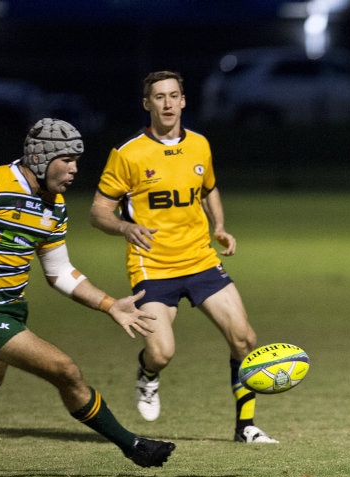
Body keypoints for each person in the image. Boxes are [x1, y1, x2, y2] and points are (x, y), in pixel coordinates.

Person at [89, 71, 274, 443]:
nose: (168, 103)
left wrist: (219, 224)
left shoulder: (200, 145)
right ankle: (148, 375)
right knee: (162, 353)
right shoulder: (128, 154)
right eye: (160, 97)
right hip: (153, 267)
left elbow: (208, 188)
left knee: (244, 338)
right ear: (147, 104)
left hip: (201, 260)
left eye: (174, 96)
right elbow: (98, 212)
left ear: (184, 101)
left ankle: (246, 427)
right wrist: (125, 228)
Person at [0, 118, 174, 467]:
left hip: (10, 310)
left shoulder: (53, 205)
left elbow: (59, 272)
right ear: (41, 158)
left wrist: (110, 305)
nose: (74, 170)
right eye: (67, 160)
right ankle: (134, 446)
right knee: (66, 371)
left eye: (77, 161)